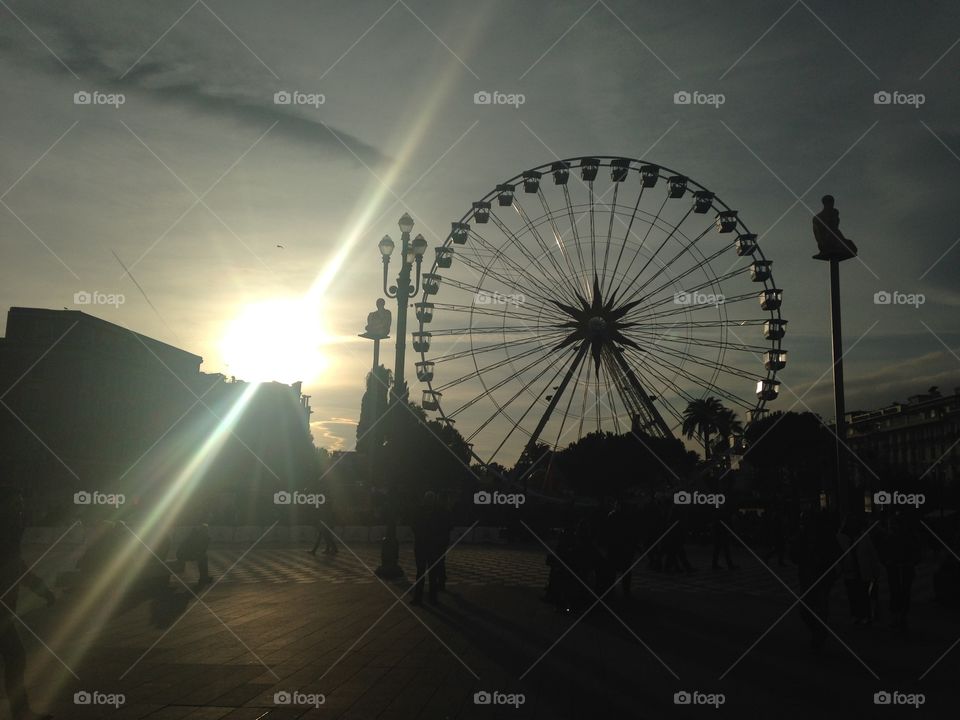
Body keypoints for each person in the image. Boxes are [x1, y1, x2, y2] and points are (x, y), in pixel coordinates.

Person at [0, 488, 55, 720]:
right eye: (17, 504)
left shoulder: (10, 533)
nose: (22, 509)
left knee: (15, 657)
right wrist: (41, 589)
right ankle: (20, 711)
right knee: (15, 657)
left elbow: (18, 567)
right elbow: (18, 567)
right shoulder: (7, 533)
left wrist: (41, 589)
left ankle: (20, 711)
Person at [791, 509, 839, 652]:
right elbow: (793, 555)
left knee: (820, 607)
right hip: (807, 577)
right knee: (805, 610)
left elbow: (835, 553)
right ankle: (819, 631)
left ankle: (820, 633)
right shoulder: (803, 536)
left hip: (822, 577)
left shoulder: (825, 535)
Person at [877, 511, 921, 630]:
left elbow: (917, 551)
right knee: (897, 591)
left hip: (902, 567)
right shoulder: (893, 537)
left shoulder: (901, 536)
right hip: (897, 568)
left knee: (901, 591)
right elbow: (883, 552)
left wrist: (911, 562)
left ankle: (900, 615)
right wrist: (887, 562)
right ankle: (899, 615)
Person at [411, 492, 443, 606]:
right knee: (431, 573)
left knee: (421, 572)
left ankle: (419, 598)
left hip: (421, 544)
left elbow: (413, 525)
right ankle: (432, 598)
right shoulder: (438, 512)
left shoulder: (419, 511)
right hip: (431, 545)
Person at [836, 514, 867, 623]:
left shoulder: (843, 537)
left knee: (856, 593)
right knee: (856, 593)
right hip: (853, 569)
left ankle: (859, 614)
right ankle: (858, 614)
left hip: (857, 569)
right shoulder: (843, 538)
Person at [812, 195, 858, 260]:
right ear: (825, 203)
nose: (831, 204)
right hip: (826, 242)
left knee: (851, 246)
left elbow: (836, 230)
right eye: (829, 202)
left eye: (832, 202)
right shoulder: (818, 218)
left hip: (835, 238)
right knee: (846, 246)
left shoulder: (834, 213)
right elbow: (818, 234)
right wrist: (823, 243)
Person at [176, 521, 212, 588]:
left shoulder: (196, 535)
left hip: (184, 553)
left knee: (203, 557)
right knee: (203, 558)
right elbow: (198, 549)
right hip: (184, 554)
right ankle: (204, 578)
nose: (207, 532)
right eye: (206, 530)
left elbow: (199, 549)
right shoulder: (198, 536)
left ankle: (204, 577)